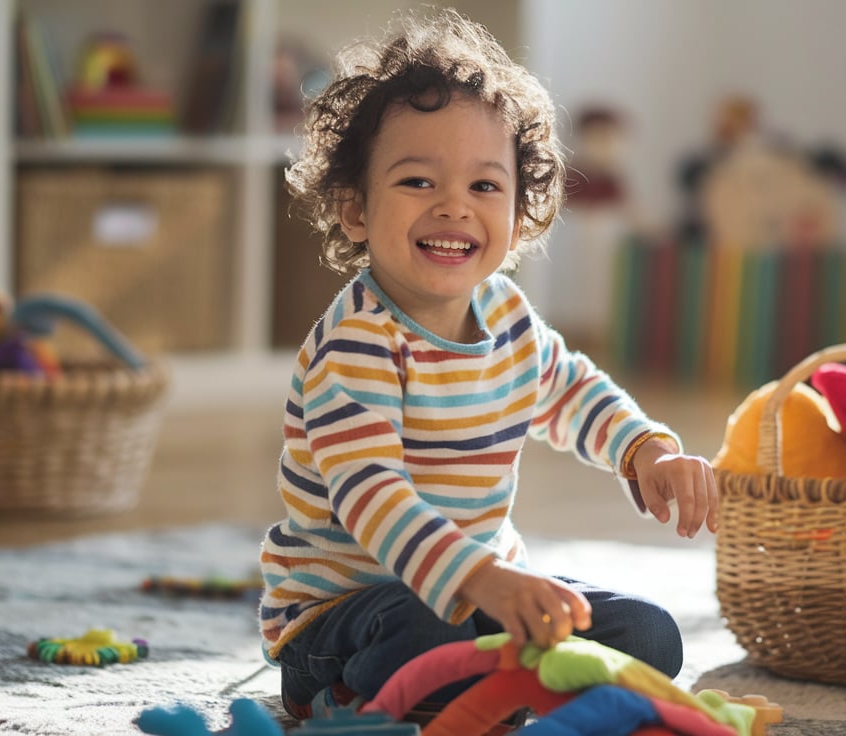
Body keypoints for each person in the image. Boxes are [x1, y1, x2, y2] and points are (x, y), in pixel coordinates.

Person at [259, 9, 719, 726]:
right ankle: (354, 696)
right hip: (344, 617)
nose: (453, 207)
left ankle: (489, 685)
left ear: (518, 207)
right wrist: (483, 579)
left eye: (484, 186)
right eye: (416, 181)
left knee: (648, 633)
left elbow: (572, 391)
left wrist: (645, 448)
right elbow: (372, 496)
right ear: (354, 209)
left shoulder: (506, 315)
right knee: (423, 631)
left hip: (486, 595)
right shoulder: (356, 344)